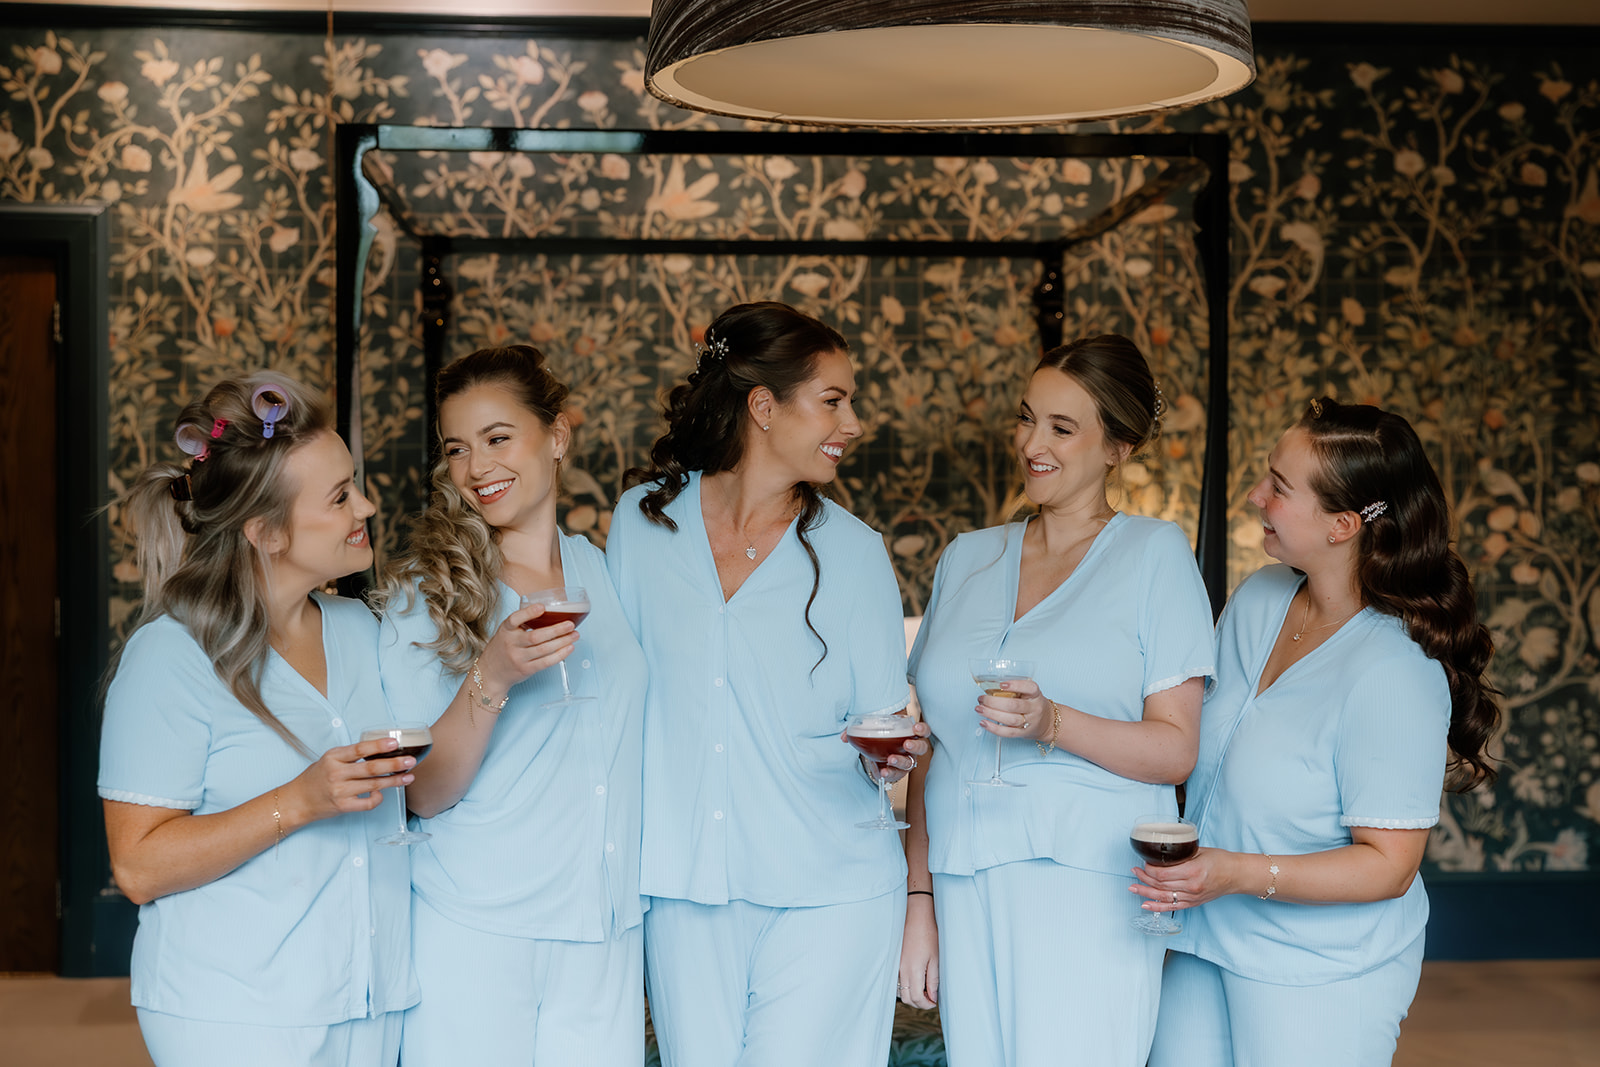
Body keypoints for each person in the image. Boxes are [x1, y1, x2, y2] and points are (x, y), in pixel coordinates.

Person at [606, 301, 929, 1067]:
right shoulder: (642, 525)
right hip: (683, 883)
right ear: (763, 406)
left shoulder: (855, 552)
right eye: (833, 400)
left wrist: (890, 756)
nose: (853, 422)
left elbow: (882, 729)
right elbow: (615, 697)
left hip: (831, 887)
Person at [1138, 397, 1501, 1067]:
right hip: (1204, 934)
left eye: (1279, 486)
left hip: (1322, 967)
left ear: (1342, 525)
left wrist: (1234, 872)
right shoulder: (1259, 597)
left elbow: (1389, 866)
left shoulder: (1393, 669)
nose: (1256, 495)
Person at [898, 334, 1215, 1066]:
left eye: (1062, 428)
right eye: (1027, 418)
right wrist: (920, 901)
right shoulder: (966, 556)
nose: (1032, 444)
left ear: (1118, 447)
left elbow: (1176, 749)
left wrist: (1053, 722)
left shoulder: (1154, 554)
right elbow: (934, 745)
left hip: (1086, 884)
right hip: (962, 876)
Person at [99, 374, 417, 1067]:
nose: (367, 505)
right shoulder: (171, 656)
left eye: (355, 485)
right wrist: (299, 801)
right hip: (234, 1013)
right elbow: (138, 866)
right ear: (266, 532)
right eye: (340, 496)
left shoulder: (366, 630)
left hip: (372, 999)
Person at [373, 345, 649, 1065]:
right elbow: (422, 793)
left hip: (604, 928)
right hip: (478, 928)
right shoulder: (424, 593)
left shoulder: (604, 571)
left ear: (556, 436)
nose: (476, 467)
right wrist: (491, 675)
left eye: (497, 438)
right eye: (457, 448)